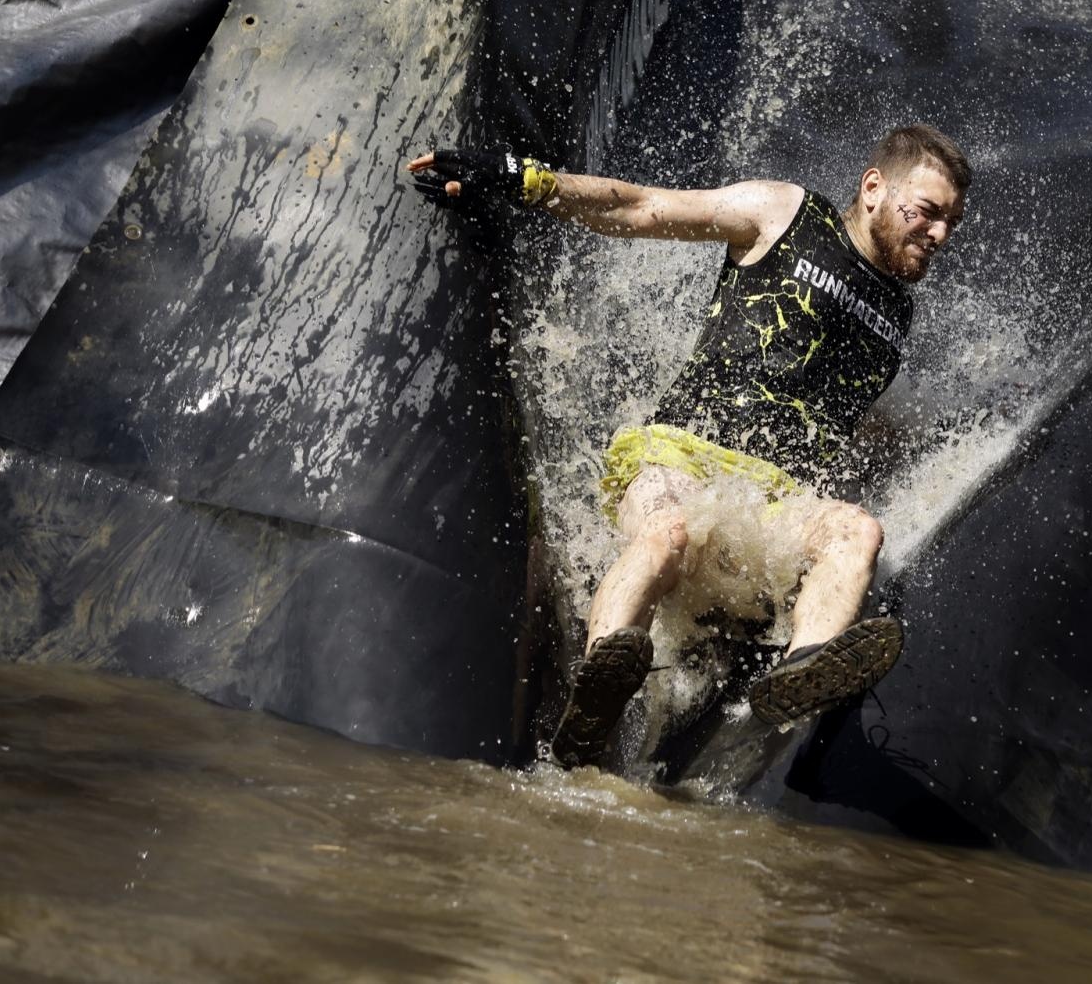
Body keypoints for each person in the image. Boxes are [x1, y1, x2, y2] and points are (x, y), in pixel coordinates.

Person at [405, 124, 970, 767]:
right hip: (681, 457)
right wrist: (521, 178)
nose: (940, 235)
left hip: (772, 504)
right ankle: (598, 690)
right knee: (668, 533)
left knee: (858, 532)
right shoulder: (784, 213)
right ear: (874, 189)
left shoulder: (898, 311)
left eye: (951, 221)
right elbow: (641, 207)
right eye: (927, 213)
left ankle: (799, 673)